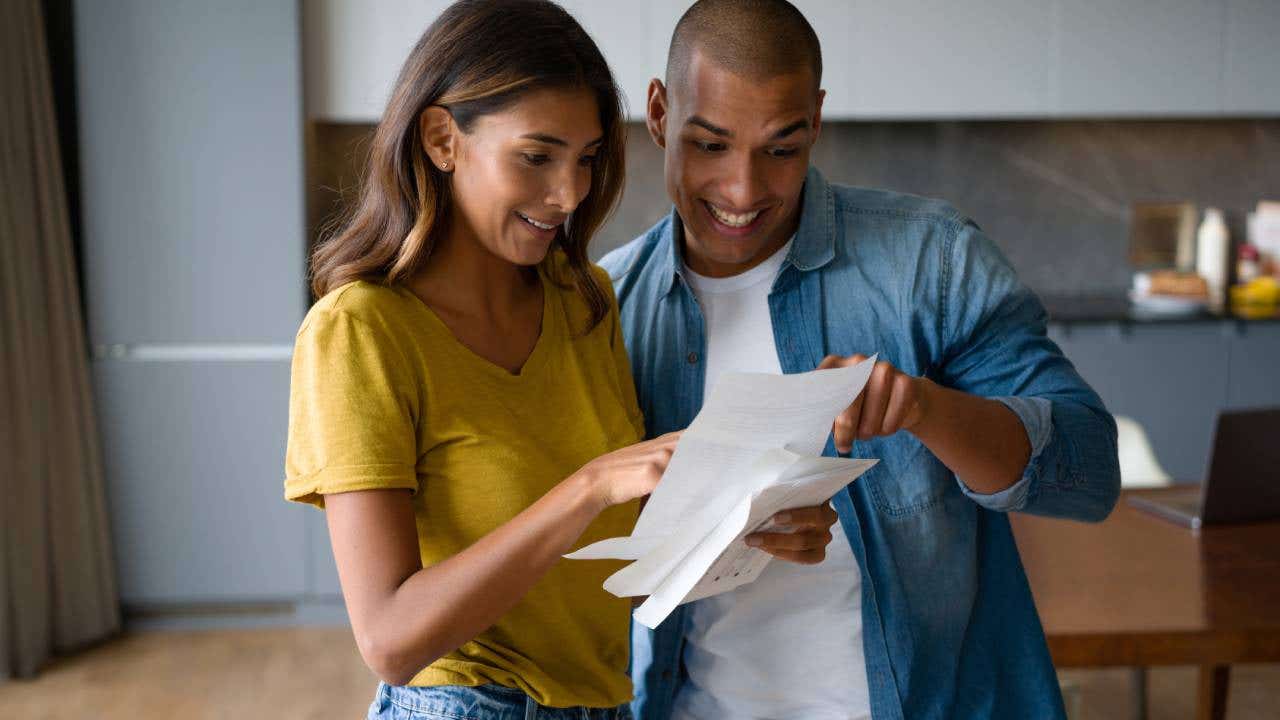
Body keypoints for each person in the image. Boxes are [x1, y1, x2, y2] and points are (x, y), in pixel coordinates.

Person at [284, 2, 836, 718]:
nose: (571, 193)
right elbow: (388, 640)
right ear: (442, 138)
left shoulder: (584, 303)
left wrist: (746, 524)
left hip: (603, 705)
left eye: (586, 159)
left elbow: (618, 579)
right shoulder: (362, 332)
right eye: (537, 156)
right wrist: (588, 487)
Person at [600, 2, 1122, 719]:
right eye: (710, 146)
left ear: (815, 120)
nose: (743, 190)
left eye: (780, 149)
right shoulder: (605, 308)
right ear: (659, 112)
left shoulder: (929, 260)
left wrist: (925, 409)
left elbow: (1088, 472)